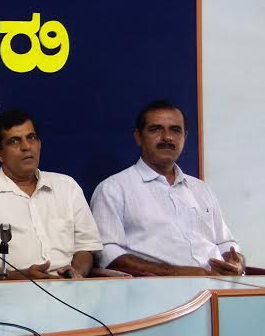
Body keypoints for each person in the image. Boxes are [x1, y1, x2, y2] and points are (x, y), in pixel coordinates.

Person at [91, 99, 243, 276]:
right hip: (156, 287)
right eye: (156, 129)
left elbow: (225, 243)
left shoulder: (201, 189)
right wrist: (178, 273)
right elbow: (108, 254)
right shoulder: (114, 189)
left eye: (175, 130)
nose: (167, 137)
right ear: (138, 137)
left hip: (217, 285)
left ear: (184, 137)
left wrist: (236, 262)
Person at [0, 110, 102, 280]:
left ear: (39, 144)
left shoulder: (67, 187)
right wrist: (14, 277)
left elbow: (86, 247)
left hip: (67, 287)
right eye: (14, 141)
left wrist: (75, 273)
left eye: (31, 138)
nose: (26, 146)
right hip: (7, 288)